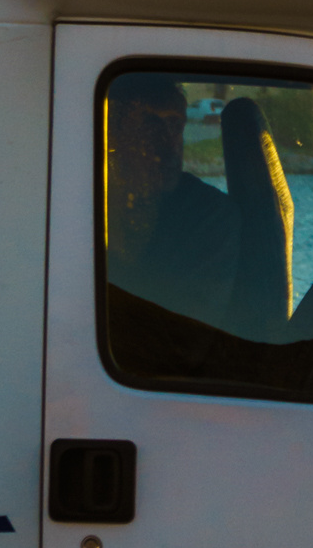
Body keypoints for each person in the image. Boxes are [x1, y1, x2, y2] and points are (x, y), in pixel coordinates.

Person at [100, 82, 294, 381]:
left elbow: (175, 351)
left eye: (174, 124)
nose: (166, 141)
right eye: (149, 123)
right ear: (113, 134)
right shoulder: (81, 204)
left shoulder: (210, 217)